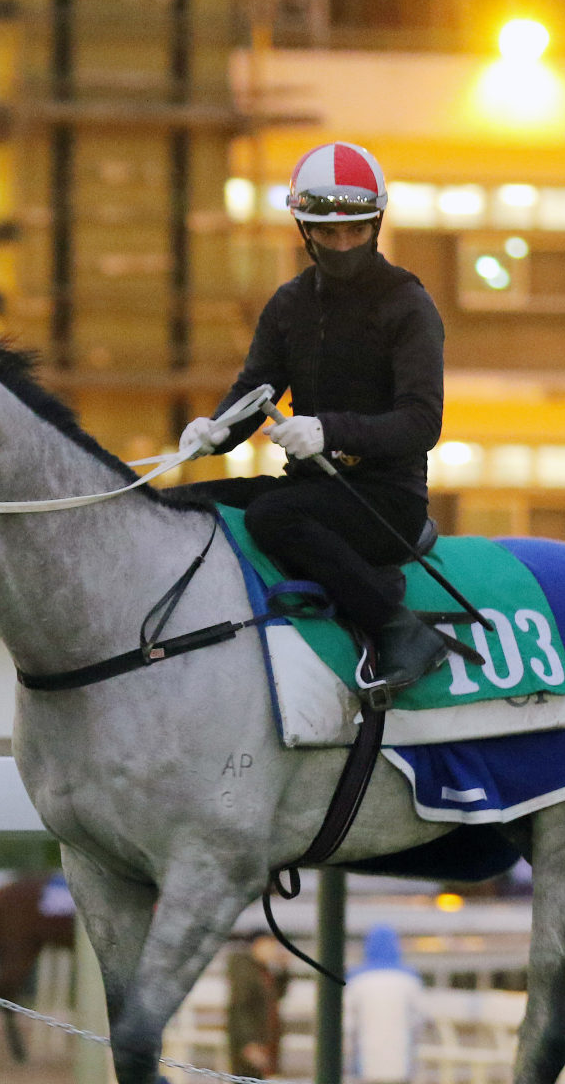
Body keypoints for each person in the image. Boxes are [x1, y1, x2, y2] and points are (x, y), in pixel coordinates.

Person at [178, 141, 454, 691]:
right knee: (182, 506)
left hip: (386, 501)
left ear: (376, 224)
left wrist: (329, 430)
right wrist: (214, 431)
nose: (342, 244)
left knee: (271, 517)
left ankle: (401, 630)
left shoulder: (408, 304)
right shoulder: (289, 304)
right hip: (312, 490)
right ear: (304, 231)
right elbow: (254, 389)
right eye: (326, 232)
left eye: (355, 231)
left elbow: (422, 423)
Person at [344, 924, 423, 1084]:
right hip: (402, 1055)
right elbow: (419, 1019)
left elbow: (348, 1023)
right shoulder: (409, 979)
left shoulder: (357, 980)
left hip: (366, 1056)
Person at [225, 932, 290, 1084]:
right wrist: (249, 1043)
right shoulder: (245, 971)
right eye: (270, 945)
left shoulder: (263, 971)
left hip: (261, 1040)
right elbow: (240, 1007)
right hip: (250, 1043)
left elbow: (277, 995)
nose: (273, 950)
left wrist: (283, 970)